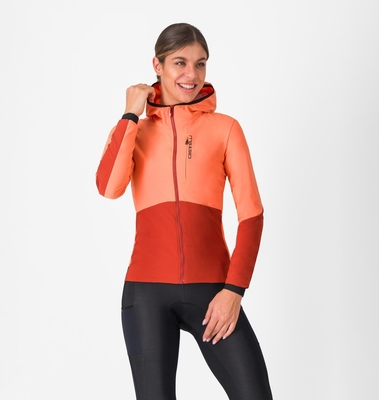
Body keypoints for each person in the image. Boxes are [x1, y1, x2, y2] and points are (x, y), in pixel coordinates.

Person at [96, 22, 273, 400]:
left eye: (200, 63)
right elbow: (109, 188)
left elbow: (251, 215)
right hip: (146, 295)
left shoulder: (225, 129)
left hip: (213, 292)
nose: (191, 74)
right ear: (157, 66)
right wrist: (129, 114)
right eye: (180, 62)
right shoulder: (135, 130)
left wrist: (234, 290)